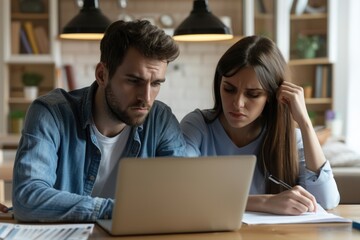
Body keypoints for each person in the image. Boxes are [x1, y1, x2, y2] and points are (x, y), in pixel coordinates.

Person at [11, 20, 186, 222]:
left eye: (156, 83)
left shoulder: (161, 121)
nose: (146, 97)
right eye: (134, 81)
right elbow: (28, 198)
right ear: (102, 74)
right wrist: (117, 210)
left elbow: (181, 197)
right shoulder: (50, 114)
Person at [180, 35, 340, 215]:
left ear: (271, 96)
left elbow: (326, 200)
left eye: (253, 94)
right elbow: (180, 191)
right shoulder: (198, 125)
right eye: (229, 89)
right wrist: (264, 201)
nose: (238, 103)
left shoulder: (289, 139)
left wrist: (304, 122)